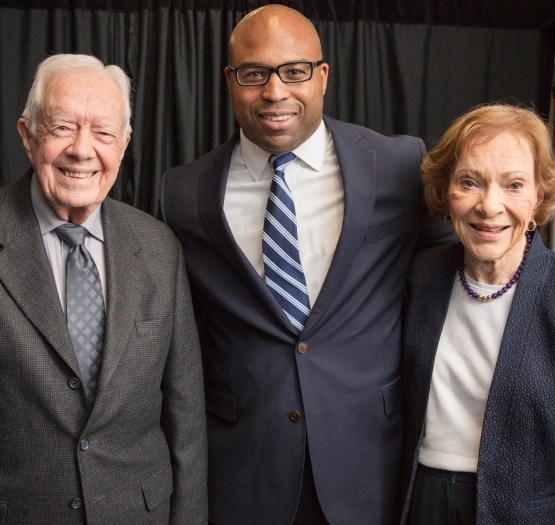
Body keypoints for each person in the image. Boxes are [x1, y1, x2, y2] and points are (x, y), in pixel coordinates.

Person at [158, 5, 455, 525]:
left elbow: (461, 264)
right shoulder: (182, 193)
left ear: (322, 76)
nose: (275, 92)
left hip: (368, 464)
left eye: (294, 71)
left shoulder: (398, 166)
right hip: (242, 468)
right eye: (254, 74)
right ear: (230, 81)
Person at [0, 54, 207, 525]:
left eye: (103, 133)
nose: (82, 149)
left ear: (125, 144)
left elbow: (186, 421)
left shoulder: (159, 247)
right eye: (61, 128)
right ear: (27, 134)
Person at [399, 104, 555, 525]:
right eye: (470, 182)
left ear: (539, 196)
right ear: (446, 191)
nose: (489, 206)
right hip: (417, 501)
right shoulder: (420, 276)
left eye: (514, 184)